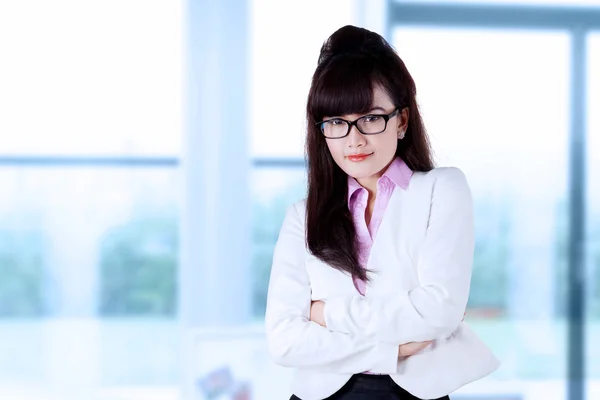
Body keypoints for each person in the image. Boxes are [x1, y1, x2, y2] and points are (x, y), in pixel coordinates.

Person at [264, 25, 499, 400]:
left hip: (413, 394)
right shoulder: (303, 216)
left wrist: (325, 315)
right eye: (337, 123)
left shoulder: (442, 190)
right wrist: (389, 350)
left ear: (401, 121)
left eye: (370, 118)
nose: (354, 139)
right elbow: (283, 341)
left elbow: (439, 312)